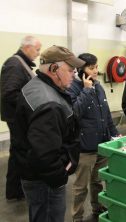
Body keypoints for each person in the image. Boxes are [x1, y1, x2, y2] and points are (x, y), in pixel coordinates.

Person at [12, 45, 85, 222]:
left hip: (32, 173)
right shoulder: (49, 103)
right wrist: (59, 177)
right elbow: (44, 155)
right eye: (70, 70)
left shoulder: (36, 86)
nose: (74, 75)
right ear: (54, 68)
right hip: (45, 182)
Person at [67, 53, 119, 222]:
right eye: (91, 68)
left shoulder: (99, 86)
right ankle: (77, 217)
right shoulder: (73, 88)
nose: (96, 71)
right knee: (80, 187)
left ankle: (97, 207)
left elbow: (106, 115)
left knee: (97, 181)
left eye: (96, 67)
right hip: (85, 148)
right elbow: (75, 112)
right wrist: (86, 89)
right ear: (81, 70)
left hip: (102, 144)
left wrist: (114, 133)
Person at [0, 35, 42, 201]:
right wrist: (32, 104)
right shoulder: (15, 64)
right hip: (16, 118)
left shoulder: (21, 64)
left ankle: (15, 190)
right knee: (20, 152)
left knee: (18, 151)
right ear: (27, 47)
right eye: (37, 49)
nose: (38, 54)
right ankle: (16, 190)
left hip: (19, 116)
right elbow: (10, 93)